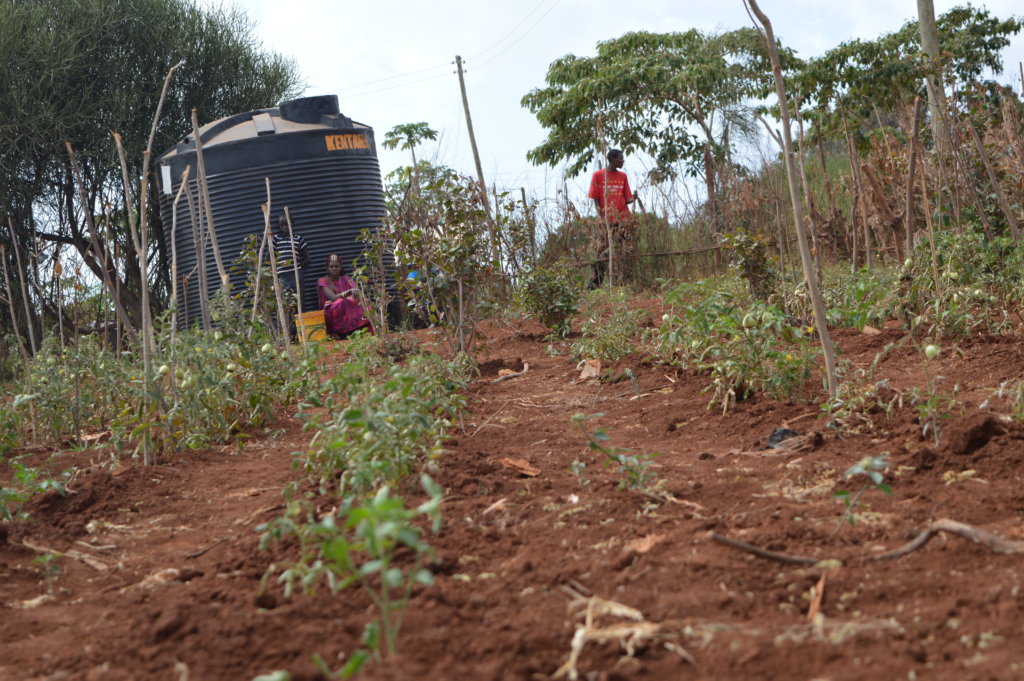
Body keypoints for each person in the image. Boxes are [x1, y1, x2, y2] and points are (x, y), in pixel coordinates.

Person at [587, 148, 637, 288]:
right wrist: (602, 217)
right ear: (613, 159)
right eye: (621, 158)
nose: (623, 161)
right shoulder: (598, 175)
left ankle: (625, 284)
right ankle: (594, 286)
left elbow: (627, 199)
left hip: (623, 220)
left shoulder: (623, 176)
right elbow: (595, 198)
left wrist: (633, 198)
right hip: (606, 221)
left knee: (625, 252)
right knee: (601, 254)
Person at [317, 254, 373, 338]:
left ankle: (361, 329)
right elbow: (333, 297)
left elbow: (357, 294)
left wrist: (356, 295)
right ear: (327, 268)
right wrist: (348, 292)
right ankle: (340, 333)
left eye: (337, 266)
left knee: (366, 302)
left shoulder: (346, 279)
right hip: (330, 312)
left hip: (347, 308)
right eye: (331, 266)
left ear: (341, 267)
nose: (334, 269)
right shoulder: (322, 281)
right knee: (339, 302)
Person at [271, 213, 310, 303]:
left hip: (296, 275)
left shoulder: (298, 239)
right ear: (279, 226)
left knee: (299, 300)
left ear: (292, 224)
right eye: (282, 225)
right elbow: (268, 257)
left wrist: (297, 266)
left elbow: (307, 259)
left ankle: (300, 317)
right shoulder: (276, 239)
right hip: (282, 276)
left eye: (287, 224)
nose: (285, 227)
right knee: (285, 302)